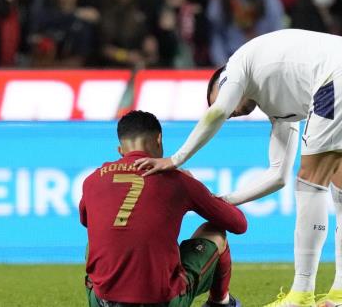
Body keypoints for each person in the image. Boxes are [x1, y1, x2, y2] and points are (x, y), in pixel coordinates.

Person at [136, 29, 342, 307]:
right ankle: (341, 296)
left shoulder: (235, 67)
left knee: (310, 184)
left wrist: (175, 159)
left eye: (217, 96)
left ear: (221, 82)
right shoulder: (281, 103)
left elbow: (217, 111)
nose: (231, 113)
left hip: (340, 79)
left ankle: (301, 295)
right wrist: (222, 201)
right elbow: (278, 176)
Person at [80, 110, 246, 307]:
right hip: (163, 301)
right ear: (159, 140)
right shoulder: (178, 180)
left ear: (120, 150)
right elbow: (238, 224)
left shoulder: (92, 180)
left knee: (95, 240)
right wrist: (196, 188)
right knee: (215, 231)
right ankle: (221, 302)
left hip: (102, 301)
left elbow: (85, 220)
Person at [207, 0, 284, 65]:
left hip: (265, 62)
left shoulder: (270, 1)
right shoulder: (218, 4)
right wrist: (223, 67)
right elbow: (216, 39)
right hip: (232, 62)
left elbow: (278, 35)